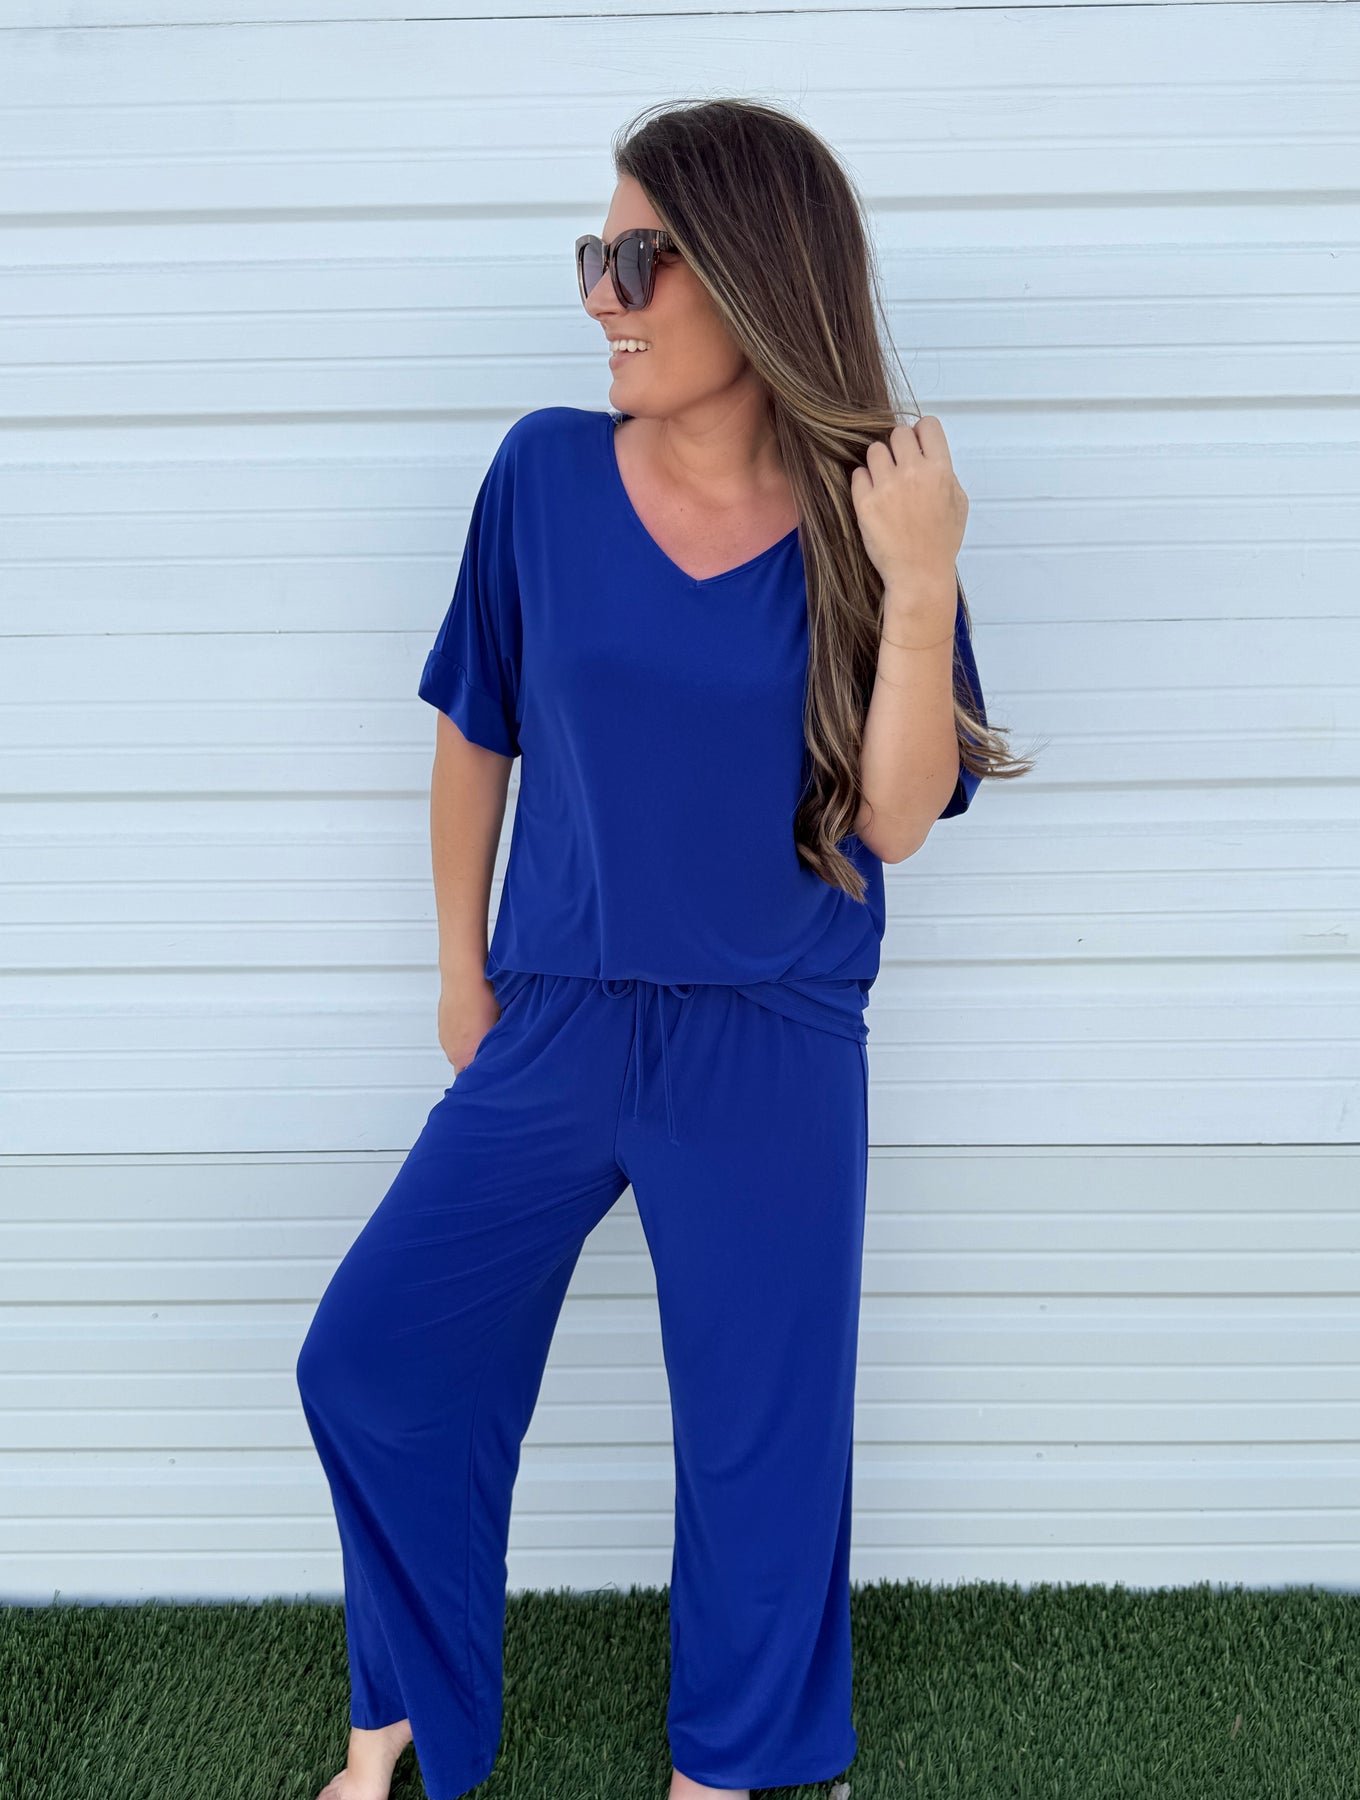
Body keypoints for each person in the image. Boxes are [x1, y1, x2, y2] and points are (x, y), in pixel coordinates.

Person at [296, 96, 1030, 1800]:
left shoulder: (872, 516)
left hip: (771, 1034)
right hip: (555, 1016)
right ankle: (398, 1708)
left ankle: (729, 1771)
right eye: (597, 254)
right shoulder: (542, 477)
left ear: (756, 277)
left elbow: (896, 817)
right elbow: (473, 729)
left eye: (639, 259)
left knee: (763, 1444)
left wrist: (922, 583)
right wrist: (463, 974)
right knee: (377, 1359)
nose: (600, 295)